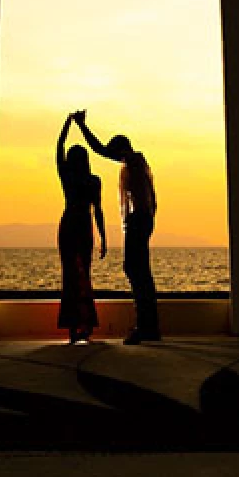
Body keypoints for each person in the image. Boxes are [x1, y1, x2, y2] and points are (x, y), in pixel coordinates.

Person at [74, 108, 160, 343]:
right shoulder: (137, 164)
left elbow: (100, 149)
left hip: (139, 221)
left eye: (115, 153)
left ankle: (146, 326)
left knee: (137, 270)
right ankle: (148, 325)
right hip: (141, 220)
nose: (113, 158)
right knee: (138, 270)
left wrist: (81, 126)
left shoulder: (134, 159)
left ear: (122, 149)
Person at [53, 112, 107, 345]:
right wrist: (104, 238)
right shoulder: (93, 180)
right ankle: (84, 325)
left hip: (70, 224)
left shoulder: (68, 178)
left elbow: (58, 147)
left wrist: (68, 122)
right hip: (84, 225)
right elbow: (99, 211)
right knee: (83, 275)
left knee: (72, 276)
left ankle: (74, 327)